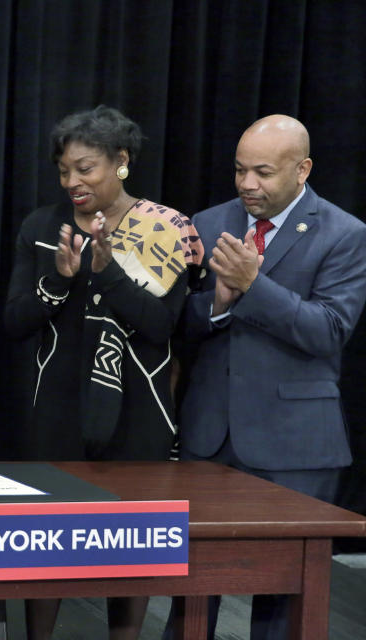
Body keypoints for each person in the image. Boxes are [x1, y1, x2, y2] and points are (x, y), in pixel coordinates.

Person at [2, 106, 202, 640]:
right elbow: (16, 321)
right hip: (59, 413)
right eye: (65, 170)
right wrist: (60, 282)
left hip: (139, 415)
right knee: (48, 549)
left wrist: (107, 272)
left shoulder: (167, 228)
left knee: (130, 549)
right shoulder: (44, 227)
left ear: (121, 162)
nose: (73, 182)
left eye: (85, 168)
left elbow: (160, 326)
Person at [165, 114, 366, 639]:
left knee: (281, 603)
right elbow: (174, 327)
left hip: (294, 445)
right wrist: (217, 304)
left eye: (263, 172)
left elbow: (329, 330)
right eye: (239, 171)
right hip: (209, 436)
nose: (247, 184)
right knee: (188, 596)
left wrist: (254, 286)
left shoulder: (344, 234)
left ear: (302, 170)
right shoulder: (207, 224)